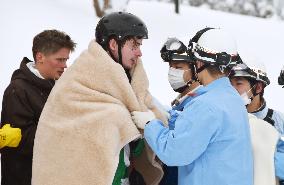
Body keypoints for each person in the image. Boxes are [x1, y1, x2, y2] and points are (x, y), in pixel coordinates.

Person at [32, 12, 167, 185]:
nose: (139, 53)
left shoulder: (133, 79)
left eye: (140, 46)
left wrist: (149, 126)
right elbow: (66, 138)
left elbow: (141, 129)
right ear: (113, 44)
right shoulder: (80, 77)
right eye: (134, 46)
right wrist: (128, 122)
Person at [132, 28, 253, 185]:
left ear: (200, 62)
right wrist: (171, 117)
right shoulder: (231, 98)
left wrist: (150, 125)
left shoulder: (206, 105)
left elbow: (173, 152)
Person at [0, 29, 76, 185]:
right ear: (40, 57)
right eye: (60, 60)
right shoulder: (17, 91)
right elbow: (23, 142)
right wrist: (69, 126)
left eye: (66, 59)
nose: (65, 65)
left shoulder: (58, 85)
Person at [229, 60, 284, 184]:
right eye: (229, 84)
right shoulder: (223, 121)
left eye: (238, 83)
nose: (232, 90)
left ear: (258, 87)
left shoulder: (280, 122)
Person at [159, 37, 202, 185]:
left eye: (178, 67)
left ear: (195, 69)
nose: (172, 72)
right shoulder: (180, 102)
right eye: (171, 66)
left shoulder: (199, 104)